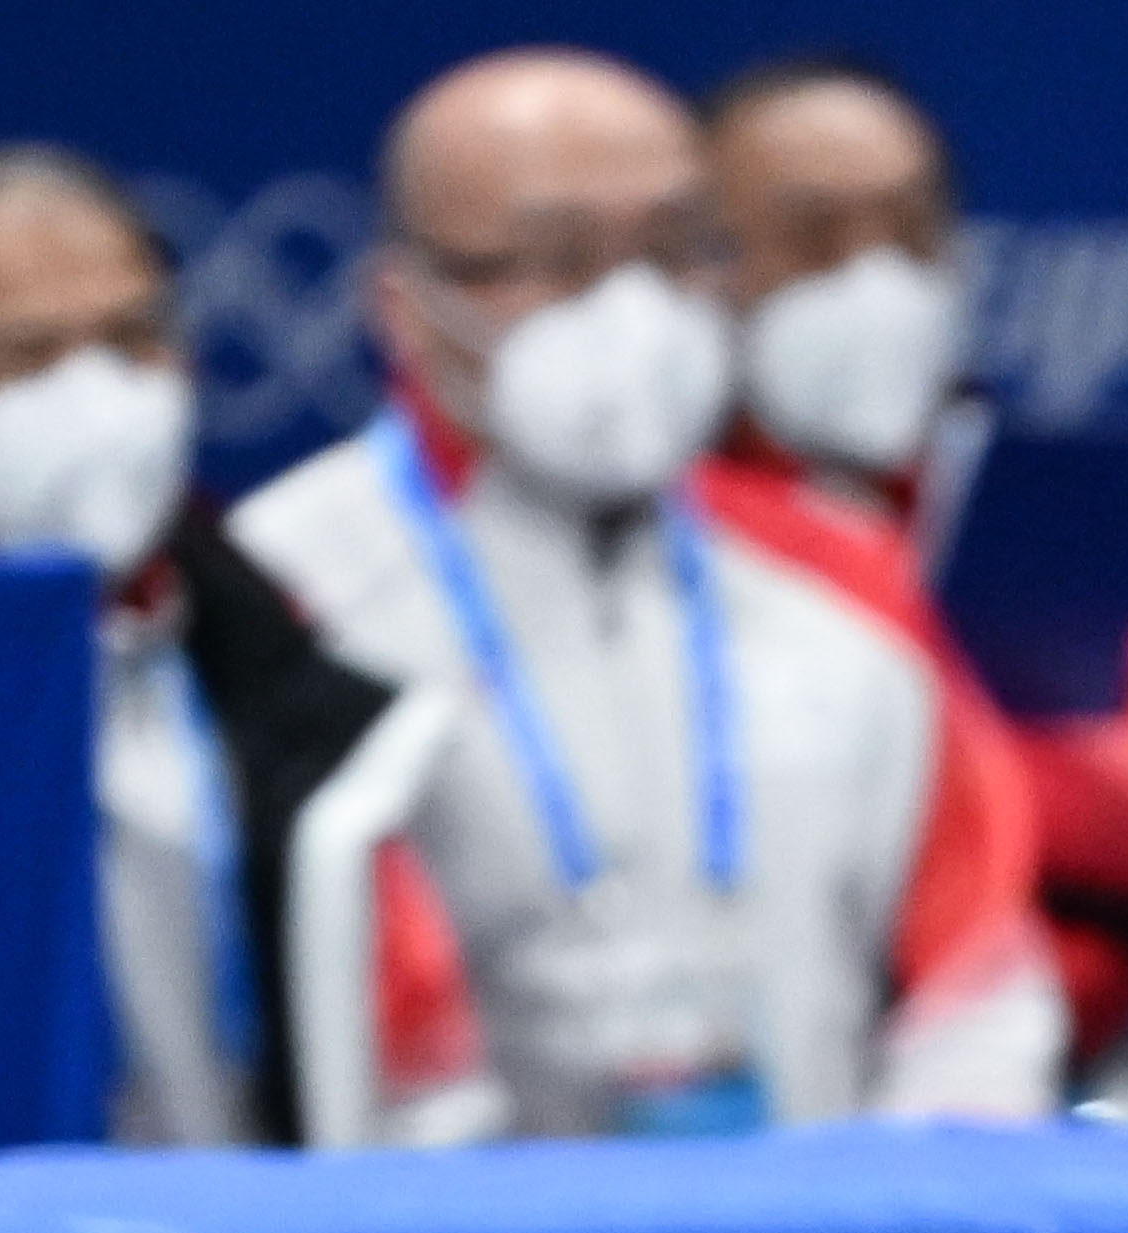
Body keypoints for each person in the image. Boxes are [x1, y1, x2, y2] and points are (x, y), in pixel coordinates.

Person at [228, 44, 1058, 1135]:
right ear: (405, 303)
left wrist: (902, 1227)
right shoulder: (280, 590)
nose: (631, 306)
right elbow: (319, 1041)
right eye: (560, 258)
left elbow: (978, 977)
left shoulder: (842, 569)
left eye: (675, 250)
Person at [0, 150, 465, 1151]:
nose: (97, 396)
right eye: (26, 356)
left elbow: (408, 1060)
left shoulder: (299, 669)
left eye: (135, 340)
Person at [703, 47, 1128, 1117]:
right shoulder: (662, 541)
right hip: (798, 1125)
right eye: (813, 239)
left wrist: (969, 790)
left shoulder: (997, 510)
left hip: (1071, 1103)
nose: (874, 278)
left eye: (909, 233)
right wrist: (1060, 818)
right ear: (699, 267)